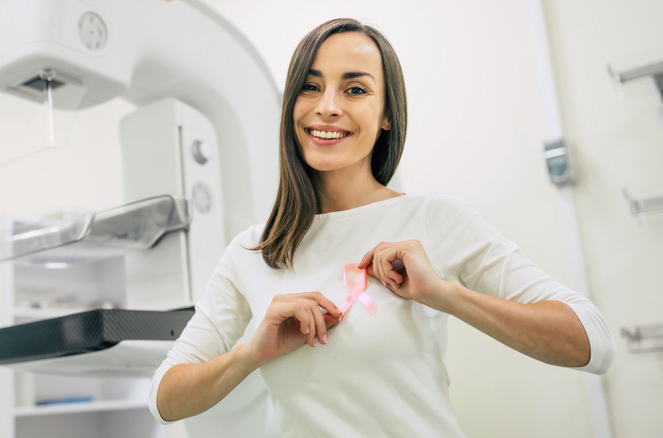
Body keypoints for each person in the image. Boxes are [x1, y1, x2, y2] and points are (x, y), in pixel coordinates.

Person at [150, 18, 615, 437]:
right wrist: (249, 355)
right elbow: (164, 399)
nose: (327, 107)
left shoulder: (434, 219)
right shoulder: (253, 251)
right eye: (310, 88)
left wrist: (444, 294)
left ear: (388, 113)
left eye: (355, 89)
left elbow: (592, 341)